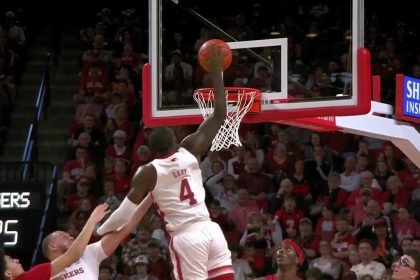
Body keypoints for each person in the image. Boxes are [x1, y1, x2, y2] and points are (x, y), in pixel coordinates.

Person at [97, 45, 234, 279]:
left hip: (187, 237)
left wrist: (100, 229)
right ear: (174, 139)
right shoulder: (189, 150)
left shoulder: (148, 171)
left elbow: (123, 214)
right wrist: (216, 71)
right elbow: (220, 113)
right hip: (211, 230)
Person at [41, 194, 153, 280]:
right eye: (64, 236)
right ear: (52, 246)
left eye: (69, 235)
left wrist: (150, 197)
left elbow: (126, 228)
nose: (71, 237)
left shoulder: (89, 252)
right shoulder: (45, 273)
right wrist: (92, 220)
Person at [1, 204, 110, 280]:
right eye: (10, 260)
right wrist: (92, 220)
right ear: (8, 273)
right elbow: (74, 254)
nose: (16, 259)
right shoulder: (32, 276)